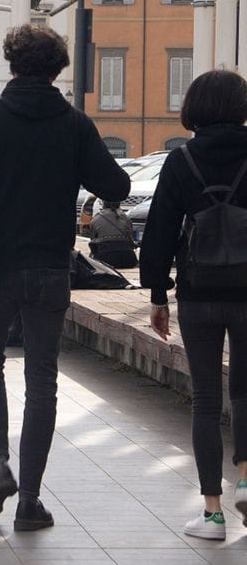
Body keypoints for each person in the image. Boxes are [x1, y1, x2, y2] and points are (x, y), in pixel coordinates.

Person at [0, 24, 130, 530]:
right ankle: (29, 501)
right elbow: (114, 182)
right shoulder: (74, 124)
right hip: (50, 268)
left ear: (11, 64)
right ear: (57, 69)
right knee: (42, 380)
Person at [139, 69, 247, 541]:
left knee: (206, 399)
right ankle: (246, 477)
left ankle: (212, 513)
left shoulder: (181, 160)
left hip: (199, 293)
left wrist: (159, 293)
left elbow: (160, 232)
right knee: (245, 392)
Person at [88, 200, 137, 268]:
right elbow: (131, 241)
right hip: (128, 260)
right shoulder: (126, 218)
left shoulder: (96, 218)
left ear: (103, 203)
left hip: (105, 259)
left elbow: (92, 240)